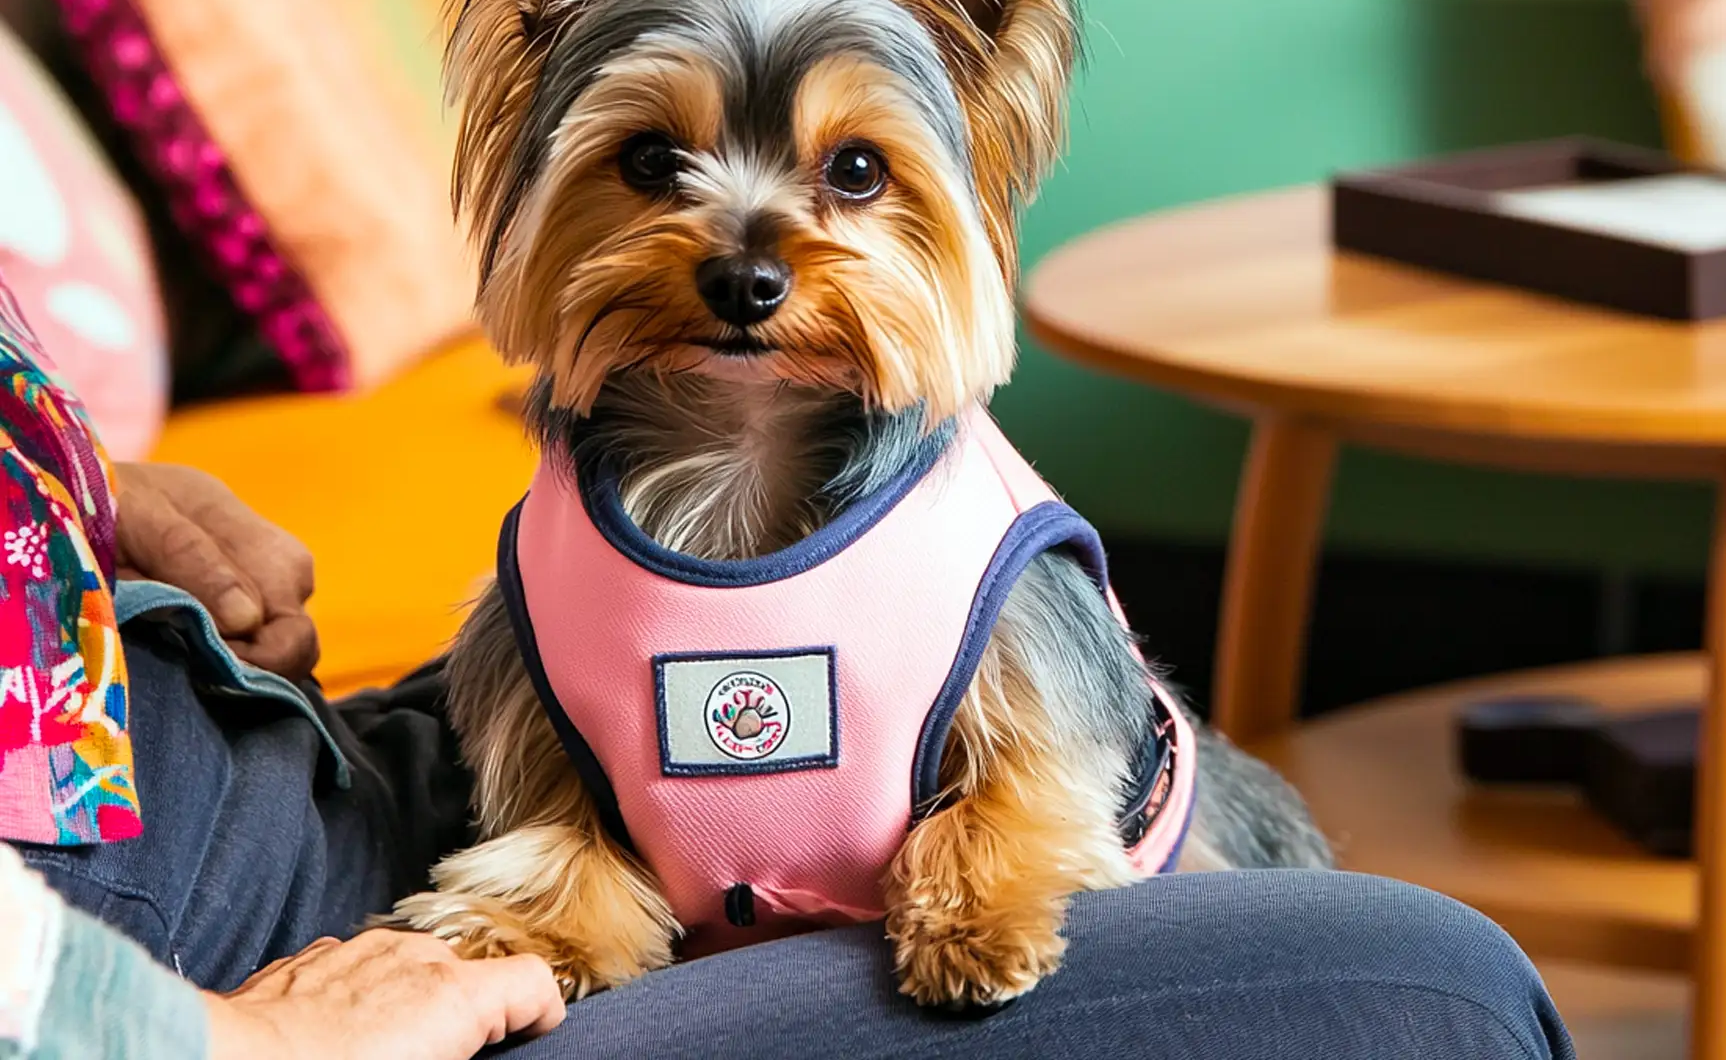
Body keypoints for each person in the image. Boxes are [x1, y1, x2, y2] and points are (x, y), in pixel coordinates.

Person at [0, 276, 1574, 1059]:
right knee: (1434, 993)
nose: (752, 254)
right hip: (251, 976)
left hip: (249, 727)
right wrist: (205, 1043)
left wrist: (79, 480)